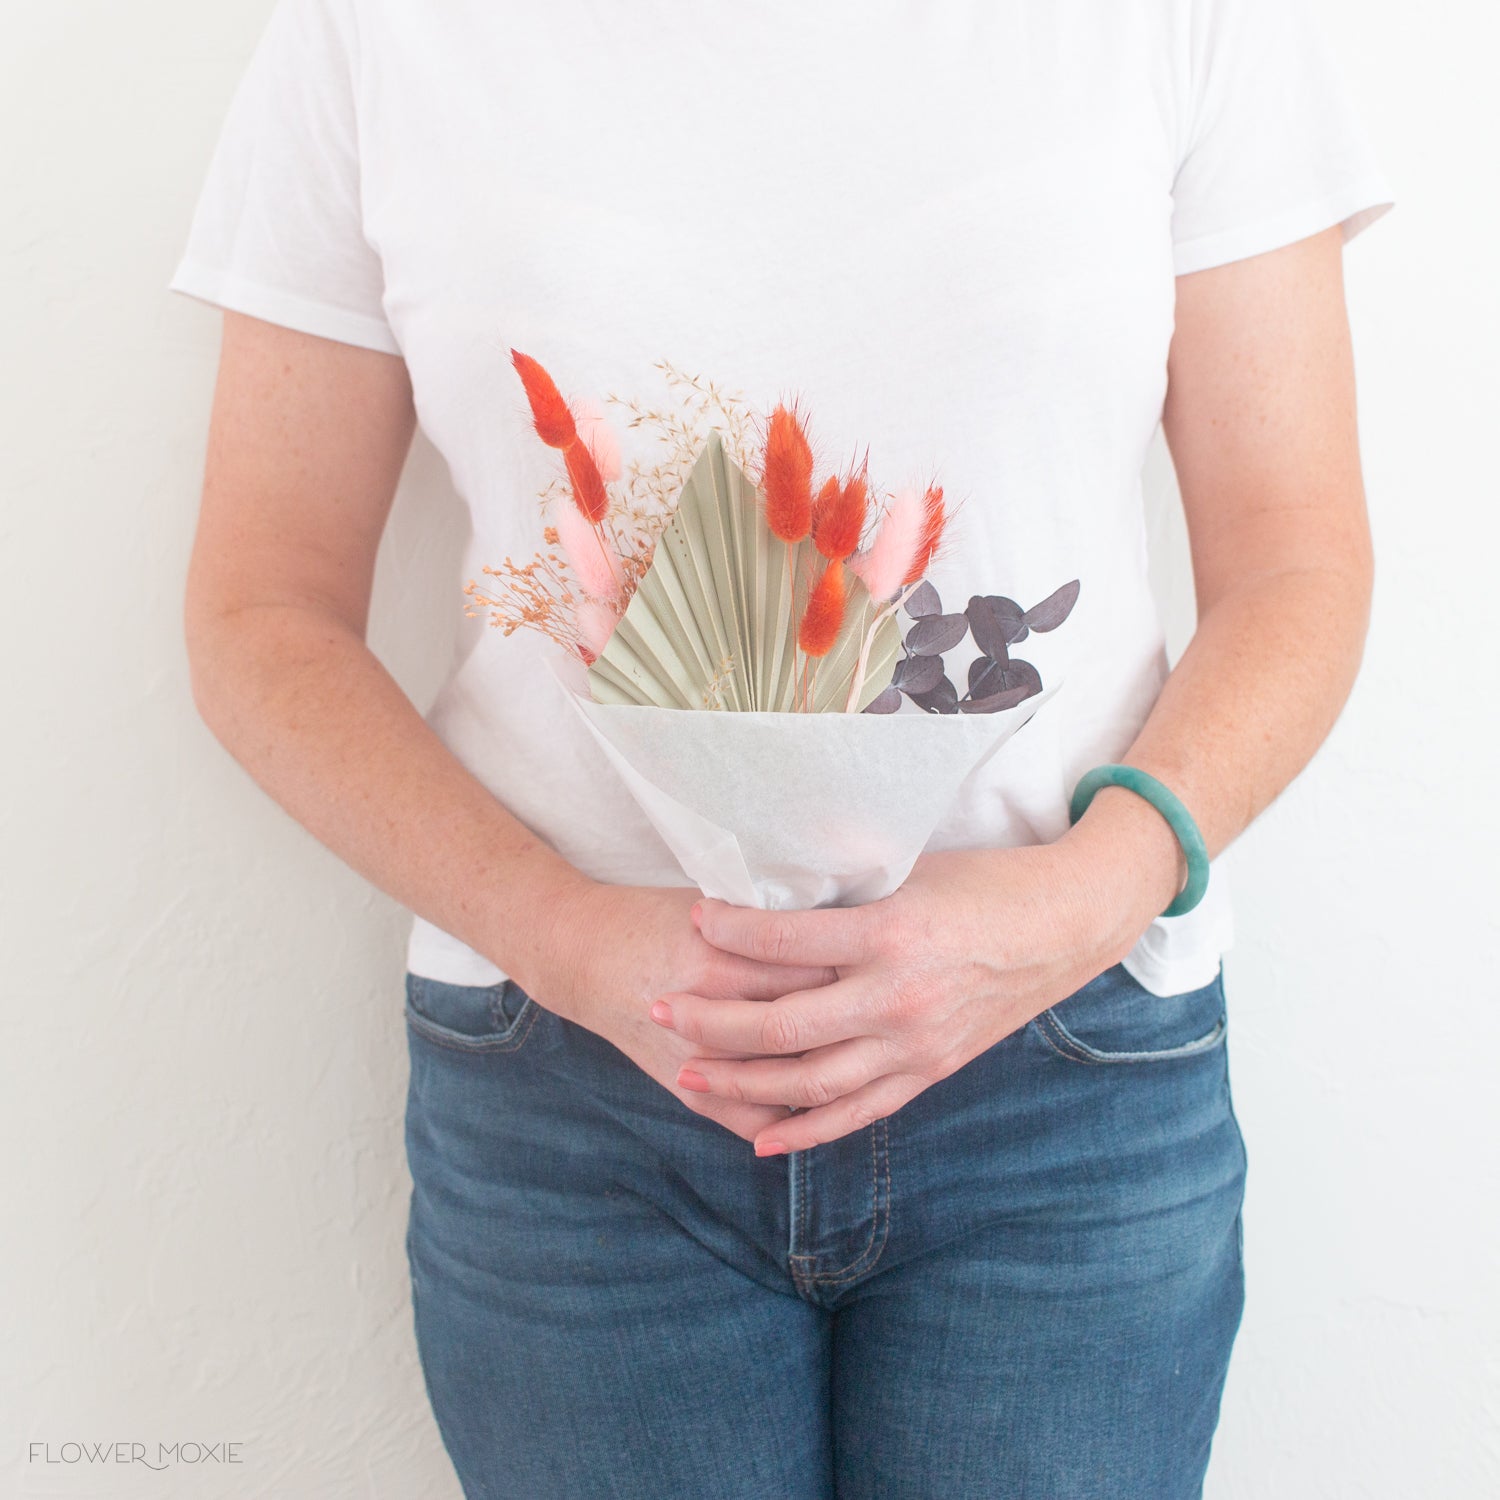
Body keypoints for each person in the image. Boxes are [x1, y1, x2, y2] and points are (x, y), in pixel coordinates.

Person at [168, 0, 1392, 1494]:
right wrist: (564, 937)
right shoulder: (372, 36)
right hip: (576, 1092)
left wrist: (1081, 901)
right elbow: (262, 608)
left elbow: (1296, 566)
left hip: (1064, 1073)